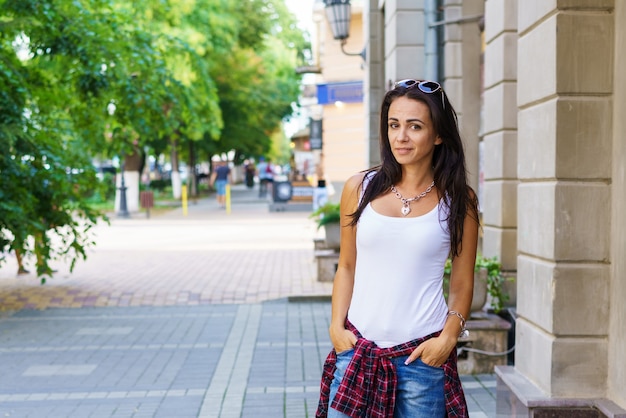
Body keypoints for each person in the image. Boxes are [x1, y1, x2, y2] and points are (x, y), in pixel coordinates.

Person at [315, 79, 479, 418]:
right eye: (394, 125)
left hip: (422, 359)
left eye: (414, 126)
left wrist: (448, 339)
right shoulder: (359, 188)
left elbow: (462, 281)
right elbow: (346, 266)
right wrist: (336, 328)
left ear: (438, 135)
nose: (400, 137)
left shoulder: (459, 201)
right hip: (358, 352)